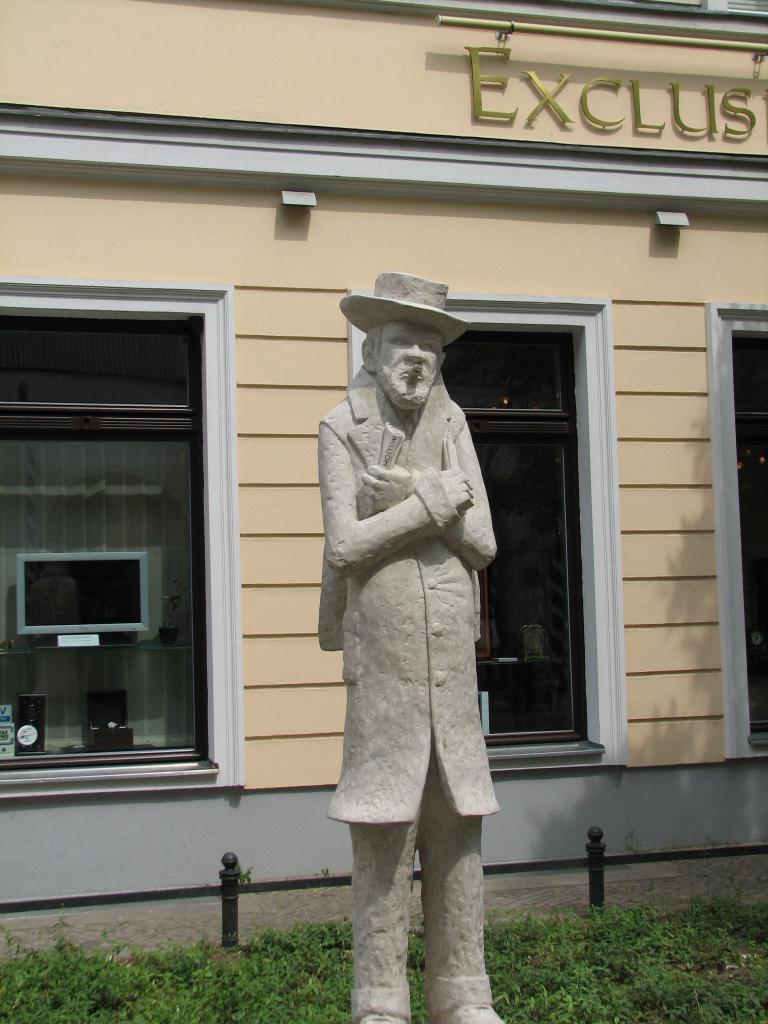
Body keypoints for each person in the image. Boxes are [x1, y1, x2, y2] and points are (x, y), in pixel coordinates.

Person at [318, 272, 504, 1024]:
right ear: (372, 348)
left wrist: (410, 495)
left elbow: (484, 543)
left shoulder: (453, 426)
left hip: (451, 673)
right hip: (385, 672)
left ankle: (464, 994)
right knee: (384, 840)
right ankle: (380, 1002)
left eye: (430, 344)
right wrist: (428, 503)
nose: (418, 357)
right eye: (403, 341)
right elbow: (345, 545)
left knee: (458, 836)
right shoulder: (341, 427)